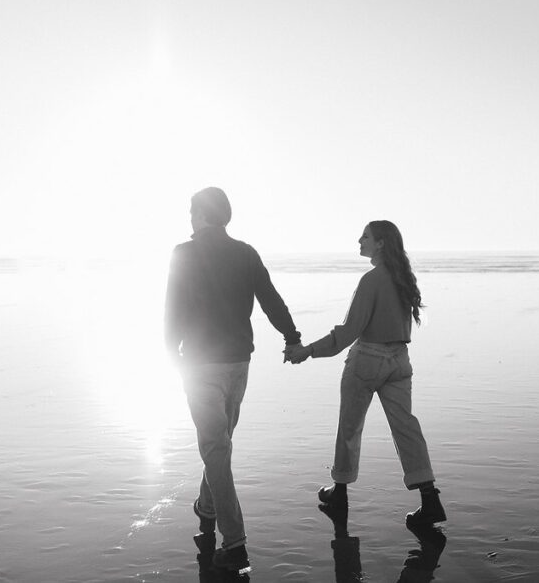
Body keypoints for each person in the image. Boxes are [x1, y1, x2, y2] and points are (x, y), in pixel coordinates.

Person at [164, 186, 303, 574]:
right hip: (238, 362)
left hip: (201, 363)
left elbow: (173, 307)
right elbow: (271, 299)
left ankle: (236, 543)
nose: (190, 219)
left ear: (204, 214)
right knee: (219, 446)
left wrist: (166, 350)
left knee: (216, 447)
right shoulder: (246, 253)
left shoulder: (185, 254)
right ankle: (207, 507)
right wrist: (291, 337)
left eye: (193, 212)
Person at [288, 220, 446, 526]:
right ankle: (430, 498)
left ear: (381, 243)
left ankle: (340, 494)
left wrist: (307, 350)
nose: (359, 240)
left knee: (350, 426)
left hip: (368, 361)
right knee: (406, 428)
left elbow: (349, 331)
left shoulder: (371, 280)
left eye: (366, 236)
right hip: (399, 361)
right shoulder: (404, 279)